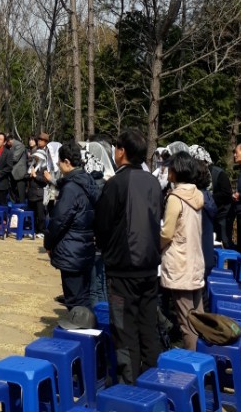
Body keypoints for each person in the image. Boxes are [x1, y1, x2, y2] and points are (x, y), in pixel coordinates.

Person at [95, 127, 163, 384]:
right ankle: (153, 380)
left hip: (123, 269)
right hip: (150, 267)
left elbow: (102, 225)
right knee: (148, 328)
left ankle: (130, 387)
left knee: (124, 331)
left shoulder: (116, 183)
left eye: (116, 147)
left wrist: (107, 251)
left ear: (121, 151)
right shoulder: (153, 182)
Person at [44, 140, 100, 310]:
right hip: (86, 246)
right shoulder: (89, 181)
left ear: (67, 162)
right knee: (84, 296)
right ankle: (85, 322)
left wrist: (48, 243)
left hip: (71, 249)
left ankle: (79, 324)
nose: (58, 166)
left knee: (74, 299)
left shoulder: (71, 188)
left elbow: (59, 220)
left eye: (59, 162)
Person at [160, 151, 206, 351]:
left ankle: (192, 361)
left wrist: (156, 246)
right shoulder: (197, 195)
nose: (168, 172)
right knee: (199, 317)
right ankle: (204, 358)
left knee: (187, 323)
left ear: (176, 171)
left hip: (179, 263)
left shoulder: (175, 197)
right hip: (195, 260)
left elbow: (167, 232)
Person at [0, 132, 12, 206]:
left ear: (4, 142)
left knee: (2, 206)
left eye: (0, 139)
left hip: (2, 184)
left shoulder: (8, 153)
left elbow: (9, 167)